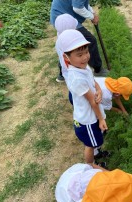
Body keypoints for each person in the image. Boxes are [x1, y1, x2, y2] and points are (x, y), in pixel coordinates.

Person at [57, 29, 108, 165]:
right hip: (88, 120)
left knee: (95, 141)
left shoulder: (83, 67)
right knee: (90, 144)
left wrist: (99, 90)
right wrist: (101, 119)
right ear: (66, 57)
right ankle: (90, 166)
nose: (85, 57)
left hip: (93, 114)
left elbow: (93, 81)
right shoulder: (76, 78)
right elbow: (92, 101)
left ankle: (97, 154)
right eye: (79, 55)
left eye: (86, 52)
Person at [50, 0, 108, 82]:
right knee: (90, 40)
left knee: (67, 46)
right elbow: (77, 8)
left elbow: (83, 3)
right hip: (64, 19)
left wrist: (92, 13)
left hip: (62, 15)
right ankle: (98, 70)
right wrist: (92, 17)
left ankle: (62, 74)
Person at [54, 14, 78, 83]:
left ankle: (62, 76)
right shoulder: (70, 41)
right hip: (72, 71)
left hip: (65, 67)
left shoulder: (59, 37)